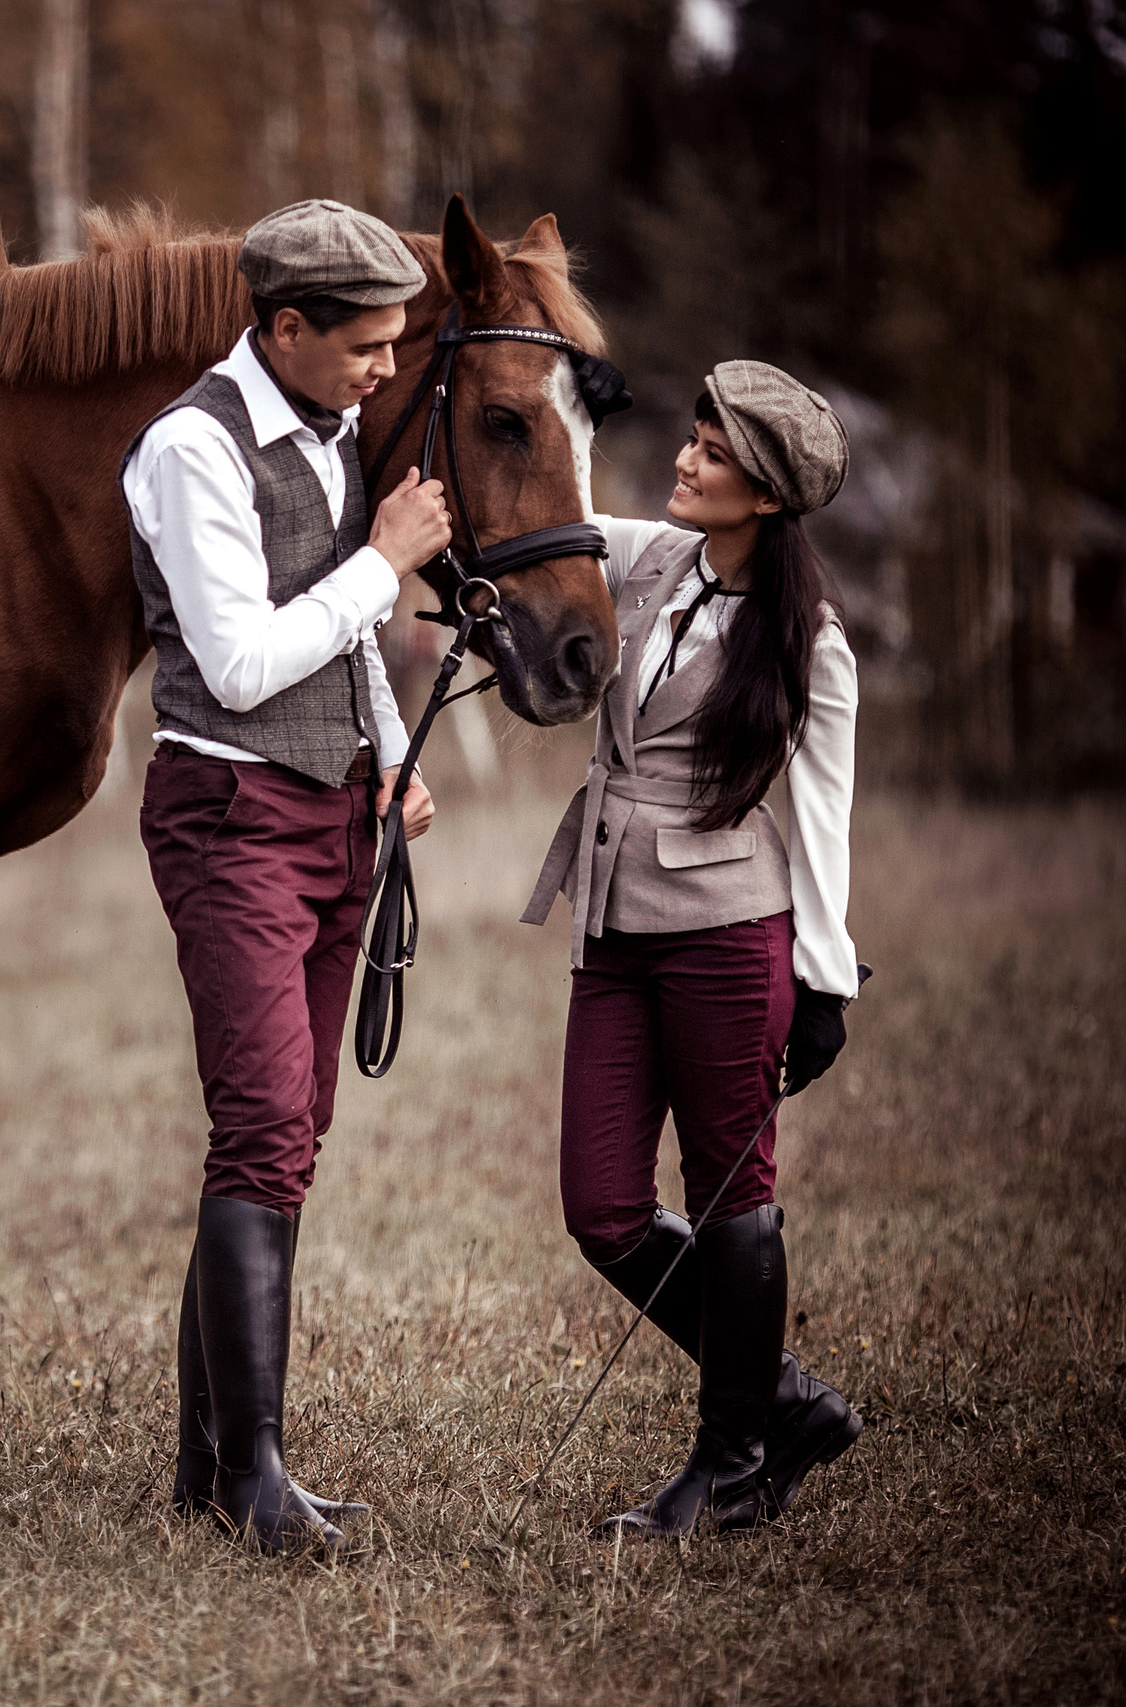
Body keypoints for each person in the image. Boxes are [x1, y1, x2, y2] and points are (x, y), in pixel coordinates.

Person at [122, 199, 453, 1554]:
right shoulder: (194, 447)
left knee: (291, 1127)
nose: (385, 368)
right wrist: (385, 562)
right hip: (229, 812)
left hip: (333, 816)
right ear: (284, 327)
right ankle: (255, 1473)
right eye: (364, 345)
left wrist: (386, 753)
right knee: (262, 1126)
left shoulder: (325, 436)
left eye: (394, 344)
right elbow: (246, 659)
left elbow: (344, 639)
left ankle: (215, 1464)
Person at [522, 360, 868, 1536]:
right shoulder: (647, 555)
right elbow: (539, 532)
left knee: (731, 1196)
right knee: (600, 1207)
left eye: (714, 454)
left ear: (763, 497)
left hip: (730, 934)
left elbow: (821, 826)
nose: (685, 460)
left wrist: (821, 985)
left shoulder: (810, 644)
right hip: (612, 921)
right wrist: (559, 390)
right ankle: (778, 1400)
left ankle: (728, 1466)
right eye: (692, 437)